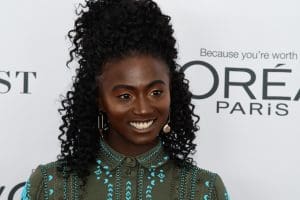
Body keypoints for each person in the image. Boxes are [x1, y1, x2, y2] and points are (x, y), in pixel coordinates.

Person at [21, 0, 229, 199]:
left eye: (155, 92)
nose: (143, 108)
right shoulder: (50, 185)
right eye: (125, 96)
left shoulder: (205, 189)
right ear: (98, 99)